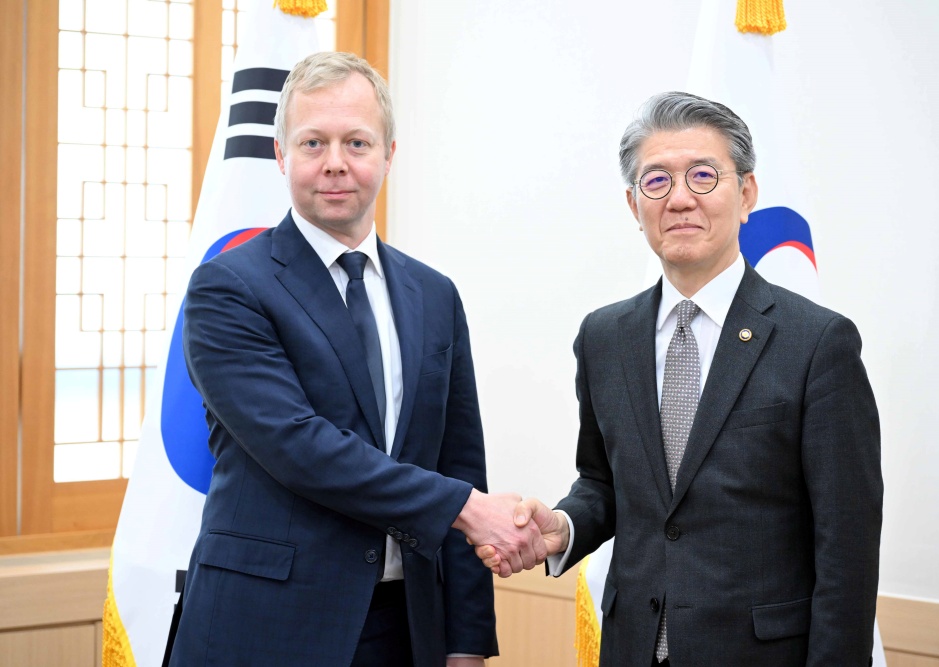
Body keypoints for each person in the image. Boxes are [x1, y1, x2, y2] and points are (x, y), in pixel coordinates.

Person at [164, 52, 545, 667]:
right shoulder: (227, 287)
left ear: (389, 154)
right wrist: (467, 510)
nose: (335, 162)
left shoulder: (434, 295)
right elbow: (300, 446)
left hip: (406, 628)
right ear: (281, 155)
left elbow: (459, 458)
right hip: (265, 627)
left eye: (357, 142)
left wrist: (468, 641)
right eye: (313, 142)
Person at [478, 92, 883, 666]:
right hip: (632, 649)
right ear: (633, 204)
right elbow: (605, 482)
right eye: (657, 181)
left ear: (746, 194)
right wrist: (564, 526)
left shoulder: (817, 343)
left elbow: (847, 548)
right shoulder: (604, 336)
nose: (681, 199)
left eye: (703, 175)